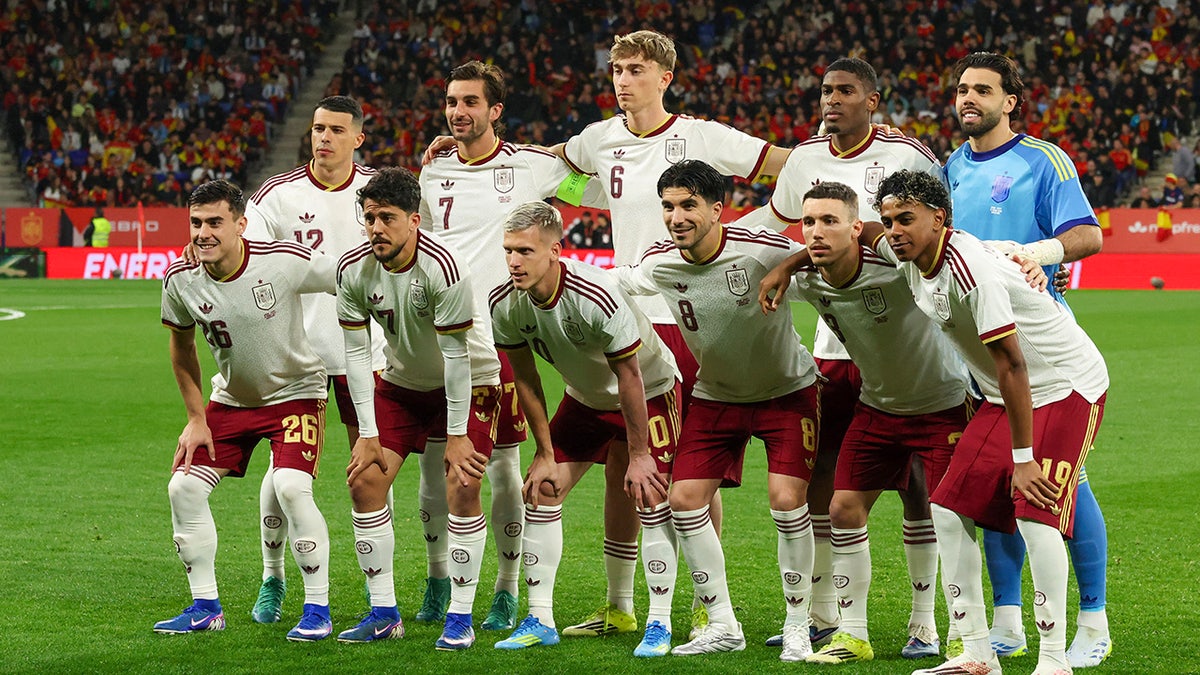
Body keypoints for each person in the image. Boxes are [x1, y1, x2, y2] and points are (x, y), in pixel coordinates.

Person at [871, 169, 1108, 675]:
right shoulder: (909, 253)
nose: (894, 230)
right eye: (888, 220)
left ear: (939, 218)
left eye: (905, 219)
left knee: (1034, 512)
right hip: (1008, 396)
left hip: (1065, 385)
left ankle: (1053, 661)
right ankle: (977, 654)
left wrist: (1023, 460)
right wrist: (791, 265)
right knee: (948, 509)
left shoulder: (969, 269)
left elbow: (1012, 364)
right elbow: (860, 233)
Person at [755, 57, 951, 658]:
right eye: (825, 91)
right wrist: (778, 259)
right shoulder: (804, 159)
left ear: (873, 98)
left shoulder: (909, 156)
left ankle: (926, 622)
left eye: (845, 91)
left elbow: (934, 235)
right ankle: (821, 615)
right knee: (826, 477)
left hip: (908, 348)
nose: (831, 100)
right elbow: (774, 224)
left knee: (917, 483)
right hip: (834, 350)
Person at [414, 60, 607, 632]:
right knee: (432, 470)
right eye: (451, 102)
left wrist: (556, 165)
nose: (457, 112)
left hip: (496, 339)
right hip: (436, 337)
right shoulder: (434, 171)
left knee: (499, 469)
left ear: (495, 111)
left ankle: (504, 586)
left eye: (470, 102)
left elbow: (594, 181)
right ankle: (436, 578)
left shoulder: (530, 166)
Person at [614, 160, 821, 661]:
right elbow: (615, 279)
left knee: (786, 501)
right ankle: (723, 622)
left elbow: (822, 252)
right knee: (684, 500)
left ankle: (798, 624)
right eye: (668, 206)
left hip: (787, 391)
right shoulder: (660, 262)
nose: (676, 217)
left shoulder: (759, 248)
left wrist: (788, 267)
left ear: (716, 209)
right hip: (716, 394)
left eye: (688, 205)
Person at [946, 52, 1110, 667]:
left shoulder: (1044, 160)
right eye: (962, 89)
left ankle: (1092, 620)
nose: (968, 99)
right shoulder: (951, 168)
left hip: (1042, 345)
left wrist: (1035, 253)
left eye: (982, 90)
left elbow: (1088, 235)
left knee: (1066, 484)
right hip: (979, 352)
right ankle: (1008, 620)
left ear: (1009, 101)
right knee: (995, 479)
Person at [488, 201, 682, 657]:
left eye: (526, 251)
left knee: (650, 493)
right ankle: (540, 618)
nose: (514, 261)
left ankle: (659, 622)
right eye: (509, 251)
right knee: (541, 488)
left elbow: (630, 376)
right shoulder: (504, 302)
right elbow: (527, 379)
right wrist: (544, 450)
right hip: (584, 398)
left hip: (648, 391)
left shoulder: (596, 294)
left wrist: (639, 454)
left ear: (555, 250)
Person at [155, 180, 335, 642]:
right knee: (182, 489)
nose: (204, 233)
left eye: (215, 222)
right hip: (232, 400)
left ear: (241, 223)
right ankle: (206, 607)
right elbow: (181, 349)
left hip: (296, 391)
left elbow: (346, 278)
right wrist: (197, 419)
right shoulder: (180, 278)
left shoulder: (282, 261)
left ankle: (318, 608)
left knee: (292, 487)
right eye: (196, 223)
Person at [334, 167, 501, 650]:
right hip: (402, 385)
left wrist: (455, 434)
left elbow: (456, 357)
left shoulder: (444, 268)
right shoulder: (353, 269)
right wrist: (366, 432)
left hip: (471, 381)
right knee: (364, 480)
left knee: (463, 483)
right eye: (369, 218)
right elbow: (356, 353)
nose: (376, 229)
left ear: (414, 219)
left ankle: (460, 616)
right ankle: (384, 612)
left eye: (387, 218)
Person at [239, 95, 386, 626]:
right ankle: (273, 577)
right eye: (318, 128)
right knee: (285, 472)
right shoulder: (277, 197)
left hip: (365, 355)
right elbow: (245, 257)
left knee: (369, 471)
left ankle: (386, 595)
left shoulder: (376, 193)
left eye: (335, 130)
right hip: (296, 358)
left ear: (357, 138)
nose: (323, 137)